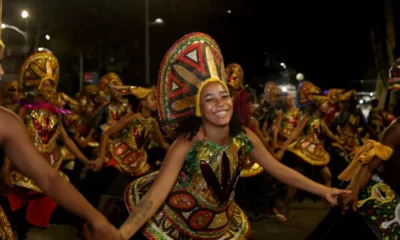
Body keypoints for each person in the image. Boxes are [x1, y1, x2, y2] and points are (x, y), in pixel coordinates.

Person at [118, 32, 350, 240]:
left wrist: (325, 190)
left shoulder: (243, 136)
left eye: (224, 96)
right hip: (181, 226)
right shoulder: (187, 143)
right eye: (210, 99)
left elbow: (277, 170)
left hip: (221, 226)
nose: (220, 104)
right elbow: (154, 197)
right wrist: (122, 235)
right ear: (199, 108)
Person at [0, 40, 122, 240]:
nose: (3, 72)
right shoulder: (22, 113)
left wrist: (97, 220)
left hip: (42, 165)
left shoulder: (8, 121)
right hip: (24, 177)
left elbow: (50, 175)